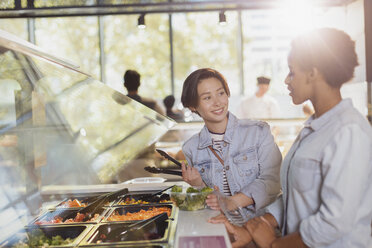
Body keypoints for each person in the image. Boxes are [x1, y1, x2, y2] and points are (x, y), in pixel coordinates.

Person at [212, 28, 372, 248]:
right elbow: (298, 196)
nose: (287, 80)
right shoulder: (315, 127)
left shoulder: (349, 131)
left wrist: (276, 245)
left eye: (292, 72)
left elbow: (335, 221)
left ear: (313, 73)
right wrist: (255, 227)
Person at [180, 68, 282, 215]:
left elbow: (273, 181)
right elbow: (209, 203)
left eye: (221, 93)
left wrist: (233, 202)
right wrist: (199, 185)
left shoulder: (258, 132)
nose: (217, 102)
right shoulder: (191, 148)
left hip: (260, 226)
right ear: (193, 106)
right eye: (207, 98)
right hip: (221, 225)